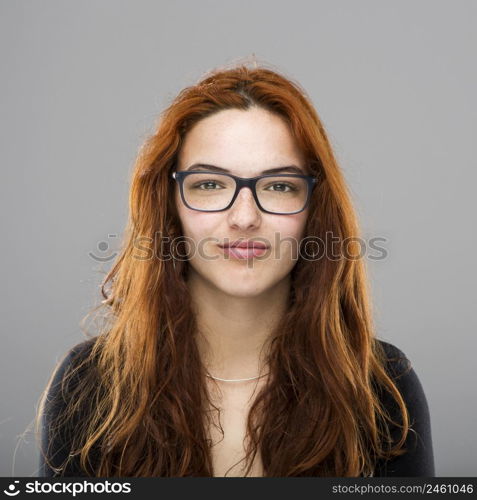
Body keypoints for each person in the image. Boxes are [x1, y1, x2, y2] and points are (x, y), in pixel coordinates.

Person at [36, 62, 435, 477]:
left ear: (314, 209)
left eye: (279, 186)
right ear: (169, 205)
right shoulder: (89, 384)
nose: (244, 217)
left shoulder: (381, 385)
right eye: (210, 184)